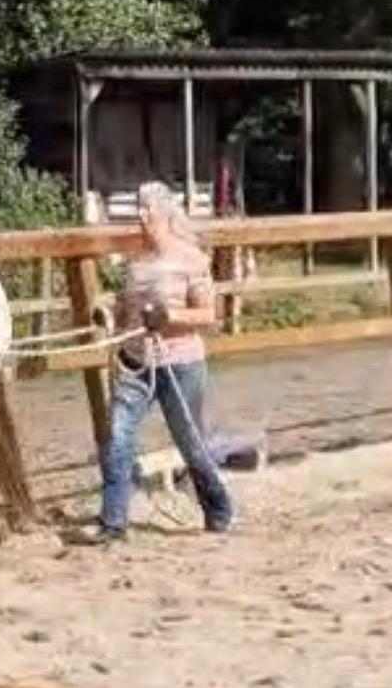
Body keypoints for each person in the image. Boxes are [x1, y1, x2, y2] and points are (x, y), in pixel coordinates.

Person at [85, 180, 233, 543]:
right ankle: (113, 522)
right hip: (136, 363)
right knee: (117, 438)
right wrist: (109, 314)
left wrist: (168, 315)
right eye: (139, 207)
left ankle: (218, 507)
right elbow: (126, 313)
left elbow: (209, 315)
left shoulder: (191, 260)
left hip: (179, 364)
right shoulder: (136, 266)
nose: (141, 214)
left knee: (190, 444)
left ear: (165, 214)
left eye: (147, 208)